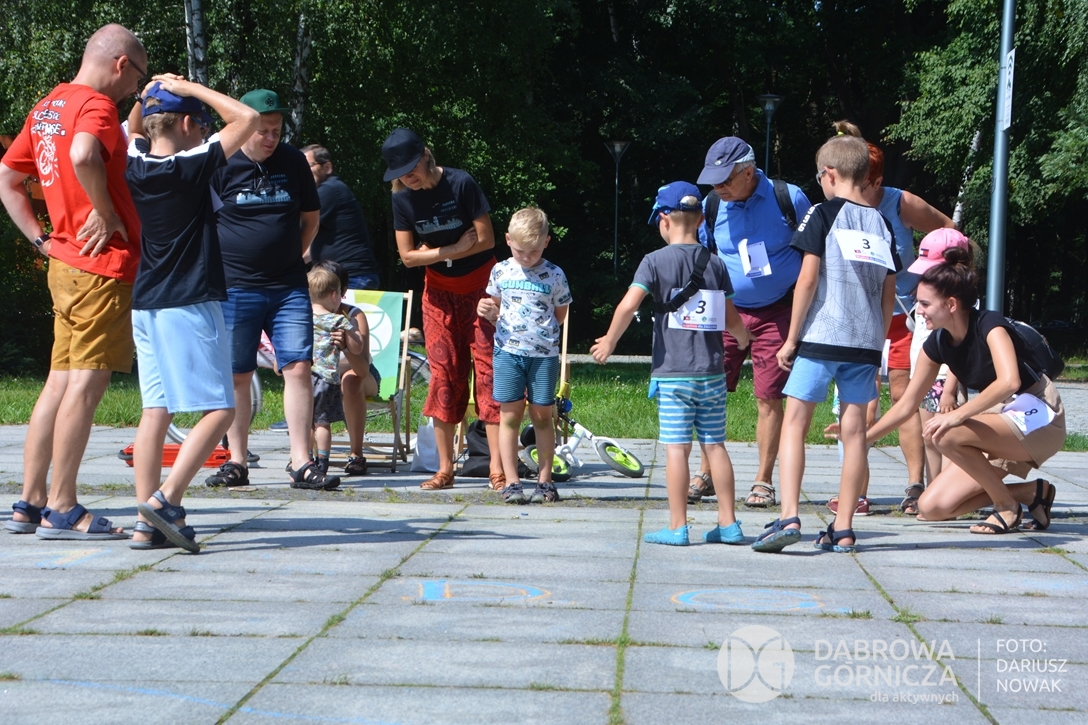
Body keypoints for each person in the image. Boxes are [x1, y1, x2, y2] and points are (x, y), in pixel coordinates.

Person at [0, 24, 146, 539]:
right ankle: (63, 508)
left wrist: (40, 239)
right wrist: (106, 212)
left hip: (63, 263)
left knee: (59, 382)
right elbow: (84, 154)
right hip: (101, 266)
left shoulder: (47, 106)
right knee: (85, 386)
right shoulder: (97, 107)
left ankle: (30, 501)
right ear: (122, 65)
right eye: (137, 79)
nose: (134, 92)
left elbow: (7, 177)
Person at [124, 77, 260, 550]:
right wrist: (191, 87)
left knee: (156, 410)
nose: (205, 132)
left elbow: (135, 126)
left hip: (147, 301)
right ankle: (166, 501)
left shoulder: (135, 161)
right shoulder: (189, 164)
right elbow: (247, 118)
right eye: (200, 125)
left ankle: (146, 523)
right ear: (185, 123)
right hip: (189, 299)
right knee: (222, 409)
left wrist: (148, 94)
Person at [859, 232, 1064, 534]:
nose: (918, 310)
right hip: (998, 421)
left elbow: (1009, 382)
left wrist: (957, 416)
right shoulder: (937, 343)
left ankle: (1006, 507)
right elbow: (906, 405)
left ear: (951, 304)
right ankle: (1032, 493)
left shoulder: (990, 325)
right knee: (932, 508)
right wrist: (863, 438)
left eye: (925, 303)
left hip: (1039, 417)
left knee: (945, 432)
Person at [752, 134, 900, 554]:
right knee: (855, 434)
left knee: (795, 423)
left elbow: (807, 279)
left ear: (829, 175)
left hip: (821, 337)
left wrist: (791, 338)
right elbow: (888, 292)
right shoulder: (883, 224)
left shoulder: (821, 213)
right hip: (865, 344)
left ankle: (789, 515)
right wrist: (878, 339)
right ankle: (845, 526)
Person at [591, 182, 750, 546]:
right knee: (715, 446)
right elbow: (731, 317)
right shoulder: (715, 263)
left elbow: (629, 305)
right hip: (712, 372)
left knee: (677, 448)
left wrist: (610, 341)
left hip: (674, 375)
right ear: (700, 220)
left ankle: (678, 526)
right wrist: (743, 338)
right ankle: (729, 523)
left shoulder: (654, 262)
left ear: (664, 220)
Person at [205, 89, 339, 490]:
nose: (270, 138)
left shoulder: (294, 161)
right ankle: (237, 461)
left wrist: (292, 255)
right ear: (242, 126)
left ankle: (301, 462)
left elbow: (311, 219)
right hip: (235, 286)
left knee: (298, 367)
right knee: (238, 374)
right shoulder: (220, 161)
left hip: (288, 286)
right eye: (263, 130)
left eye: (276, 131)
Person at [831, 120, 955, 515]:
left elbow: (950, 234)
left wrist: (934, 288)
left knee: (905, 396)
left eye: (861, 184)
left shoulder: (900, 203)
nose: (851, 190)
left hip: (903, 318)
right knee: (860, 402)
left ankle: (915, 484)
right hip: (859, 317)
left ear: (877, 181)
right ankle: (856, 492)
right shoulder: (836, 206)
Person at [688, 137, 812, 510]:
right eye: (713, 181)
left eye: (725, 179)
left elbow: (813, 253)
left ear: (748, 171)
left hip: (778, 311)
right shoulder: (712, 205)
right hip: (726, 311)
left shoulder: (789, 198)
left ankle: (763, 479)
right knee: (709, 392)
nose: (718, 188)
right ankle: (707, 471)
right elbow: (705, 254)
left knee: (769, 397)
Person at [383, 128, 503, 490]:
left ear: (425, 155)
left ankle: (497, 469)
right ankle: (445, 469)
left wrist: (430, 253)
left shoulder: (461, 183)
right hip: (438, 295)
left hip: (482, 291)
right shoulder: (401, 199)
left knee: (488, 375)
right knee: (444, 376)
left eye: (410, 168)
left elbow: (487, 239)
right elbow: (407, 258)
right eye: (399, 172)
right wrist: (452, 250)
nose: (407, 176)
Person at [477, 207, 571, 505]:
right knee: (509, 416)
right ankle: (512, 482)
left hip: (543, 356)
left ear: (546, 242)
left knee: (542, 416)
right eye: (520, 251)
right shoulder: (501, 271)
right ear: (508, 240)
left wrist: (541, 335)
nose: (527, 258)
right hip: (508, 353)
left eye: (534, 251)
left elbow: (560, 314)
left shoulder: (555, 274)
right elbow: (494, 306)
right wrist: (487, 310)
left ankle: (545, 481)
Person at [314, 259, 380, 476]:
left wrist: (345, 346)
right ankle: (303, 455)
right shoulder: (308, 316)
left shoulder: (353, 316)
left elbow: (363, 369)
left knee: (350, 380)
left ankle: (356, 454)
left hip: (361, 374)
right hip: (323, 378)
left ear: (340, 292)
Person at [307, 264, 363, 484]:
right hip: (326, 379)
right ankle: (323, 461)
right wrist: (350, 339)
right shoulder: (338, 320)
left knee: (304, 421)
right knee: (322, 422)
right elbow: (357, 348)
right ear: (334, 295)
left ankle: (304, 459)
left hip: (304, 378)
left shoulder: (301, 317)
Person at [302, 145, 381, 290]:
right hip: (343, 277)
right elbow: (308, 250)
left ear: (327, 167)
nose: (303, 171)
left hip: (351, 278)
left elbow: (295, 225)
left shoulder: (329, 189)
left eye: (309, 166)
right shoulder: (330, 190)